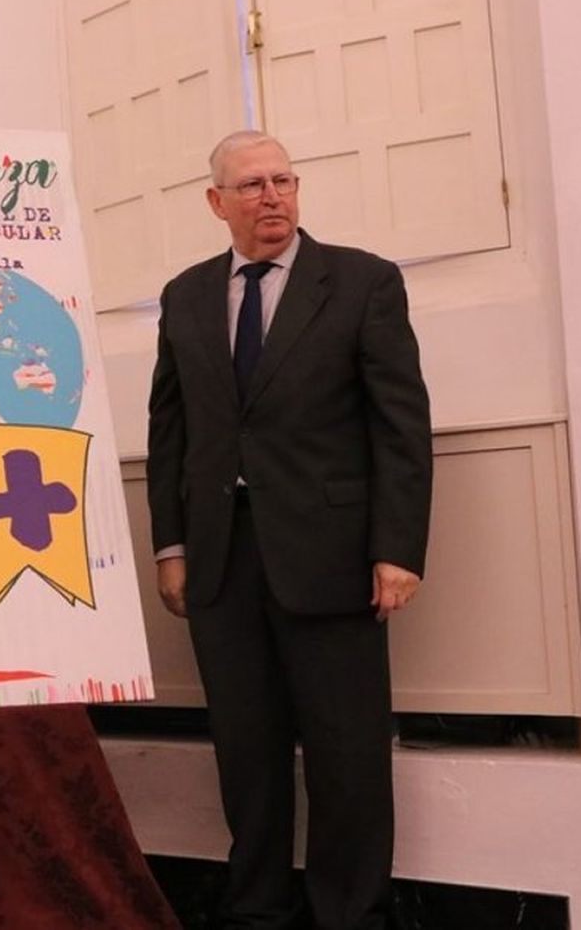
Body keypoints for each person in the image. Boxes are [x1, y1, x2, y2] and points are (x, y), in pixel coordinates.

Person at [145, 130, 432, 929]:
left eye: (283, 180)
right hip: (222, 566)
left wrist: (397, 549)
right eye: (251, 186)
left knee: (347, 760)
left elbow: (400, 425)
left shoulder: (363, 283)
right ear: (217, 203)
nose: (272, 196)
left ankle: (352, 913)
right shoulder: (184, 295)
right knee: (247, 755)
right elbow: (169, 430)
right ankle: (258, 910)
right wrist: (172, 545)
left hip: (334, 560)